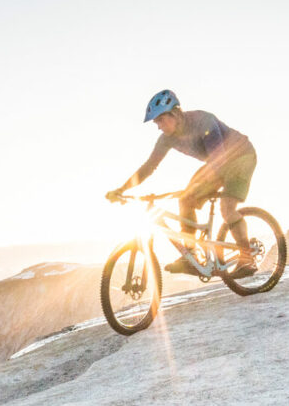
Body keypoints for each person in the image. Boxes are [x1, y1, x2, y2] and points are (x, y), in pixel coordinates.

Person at [107, 90, 258, 278]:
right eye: (156, 122)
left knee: (226, 208)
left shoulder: (204, 121)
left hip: (240, 157)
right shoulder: (166, 139)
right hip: (216, 163)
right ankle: (191, 255)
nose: (159, 126)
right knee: (186, 201)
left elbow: (218, 159)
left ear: (176, 114)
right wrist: (122, 189)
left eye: (161, 120)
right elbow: (149, 166)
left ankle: (247, 257)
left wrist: (195, 187)